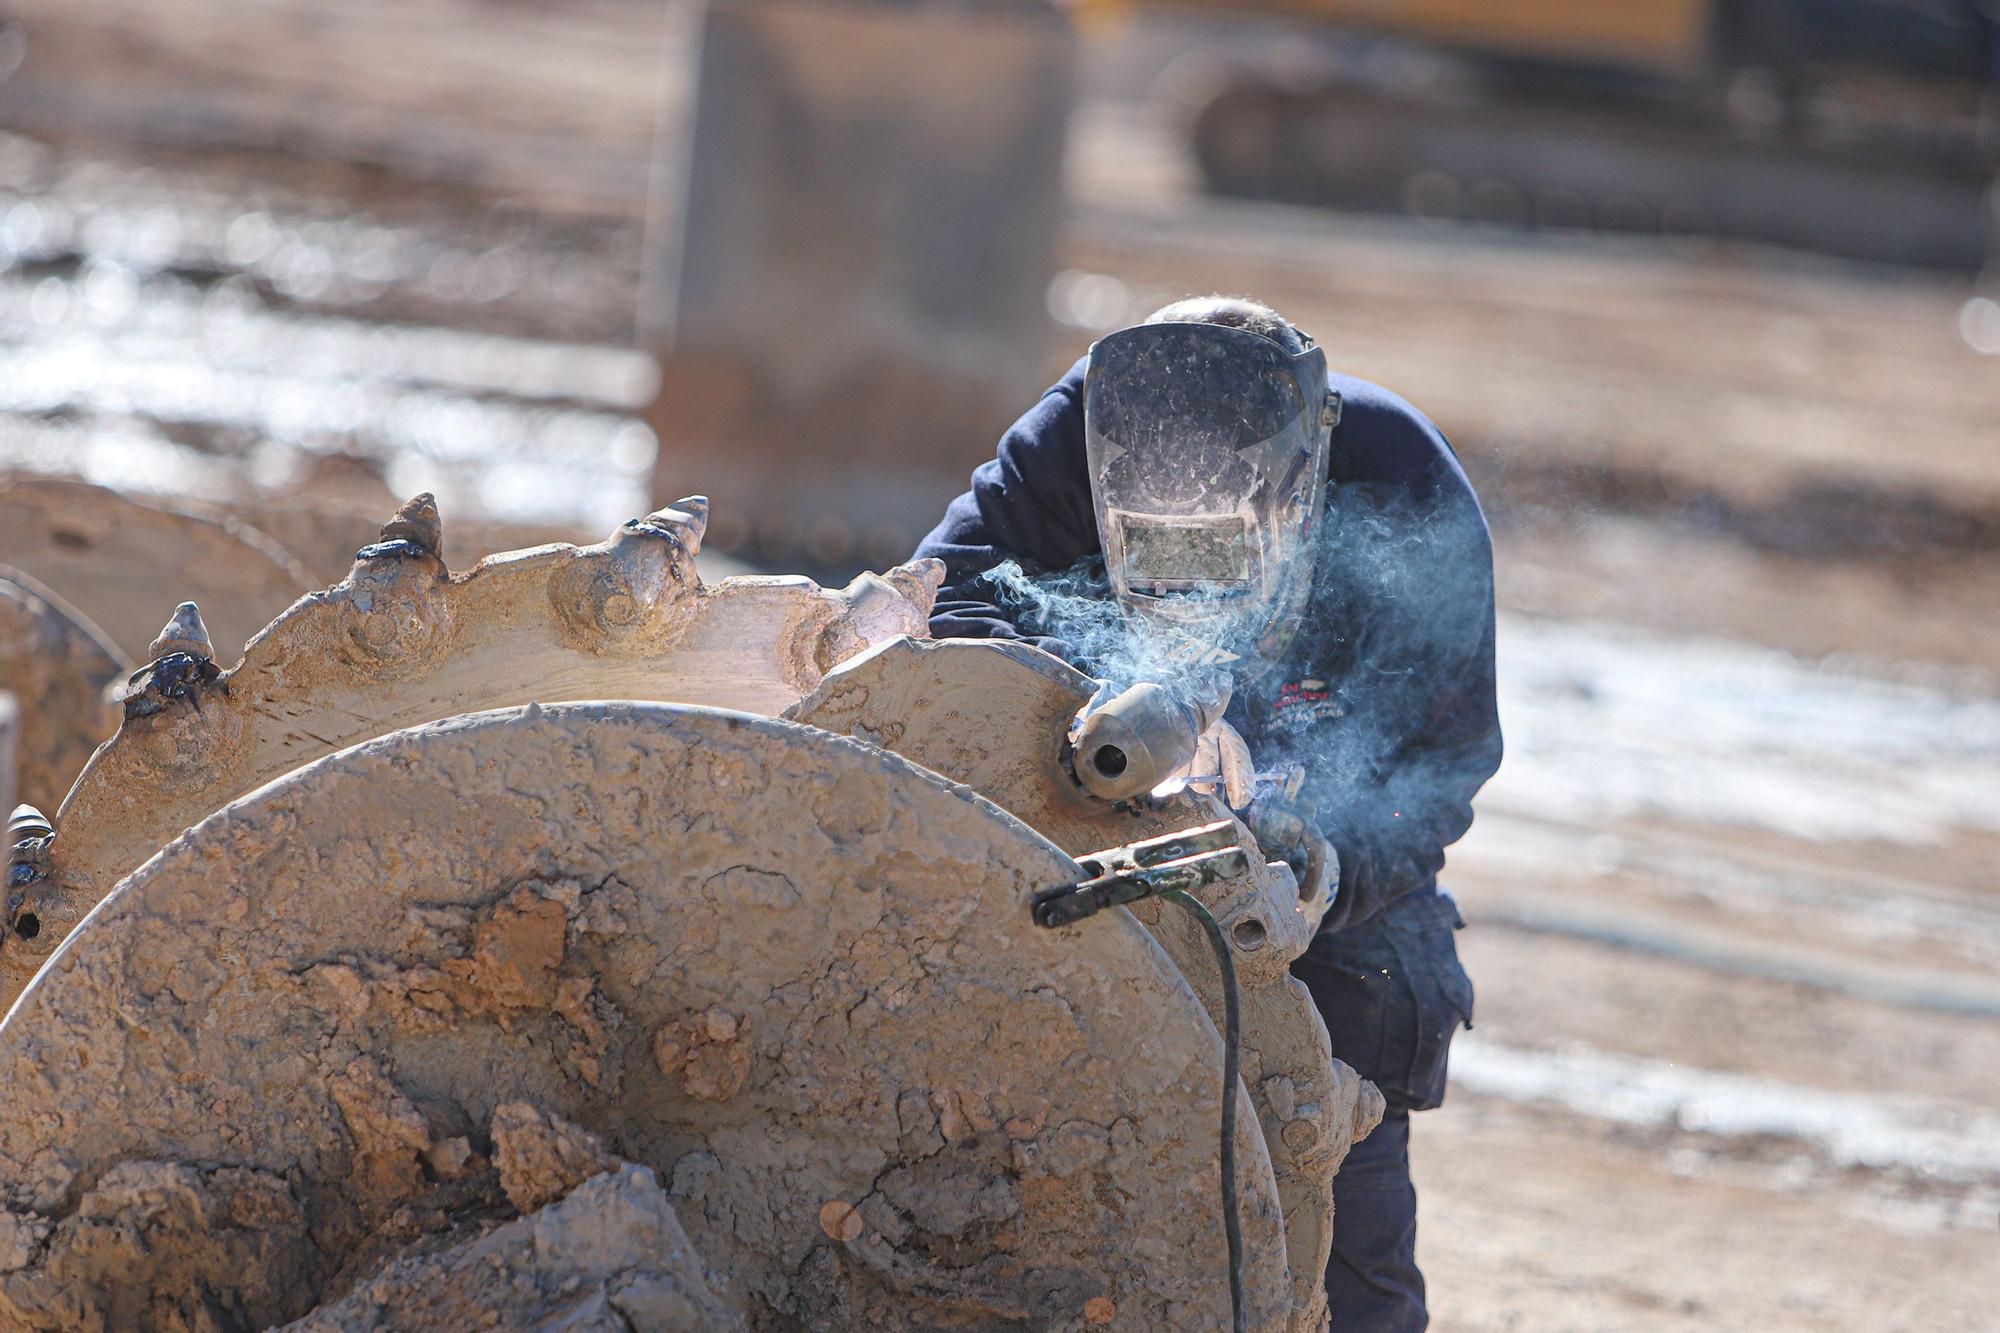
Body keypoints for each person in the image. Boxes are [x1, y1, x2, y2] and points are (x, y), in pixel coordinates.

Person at [912, 295, 1502, 1331]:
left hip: (1329, 902)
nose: (1185, 588)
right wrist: (1074, 708)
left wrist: (1325, 864)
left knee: (1337, 1240)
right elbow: (943, 624)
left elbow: (1439, 761)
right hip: (1094, 857)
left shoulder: (1403, 485)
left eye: (1217, 556)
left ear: (1300, 489)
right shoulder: (1066, 439)